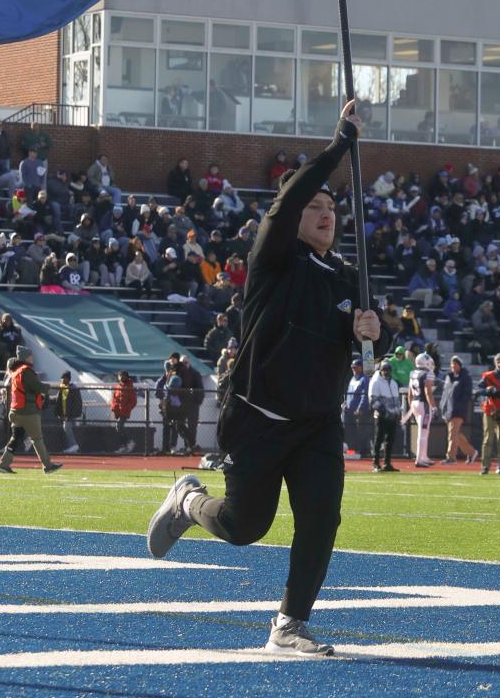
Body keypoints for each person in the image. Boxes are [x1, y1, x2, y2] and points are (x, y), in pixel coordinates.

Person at [146, 100, 387, 658]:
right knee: (244, 526)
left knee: (322, 519)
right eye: (315, 206)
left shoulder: (347, 276)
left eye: (332, 208)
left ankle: (289, 623)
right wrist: (339, 145)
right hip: (258, 417)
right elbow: (288, 203)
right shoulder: (274, 260)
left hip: (317, 424)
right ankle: (188, 501)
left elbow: (374, 343)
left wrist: (376, 330)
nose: (325, 213)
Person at [0, 345, 62, 474]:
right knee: (37, 439)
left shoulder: (16, 372)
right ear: (26, 357)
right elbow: (37, 387)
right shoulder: (26, 371)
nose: (33, 358)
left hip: (16, 411)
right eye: (30, 355)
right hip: (28, 412)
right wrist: (48, 387)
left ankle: (3, 464)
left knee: (15, 438)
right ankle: (47, 466)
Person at [478, 353, 500, 475]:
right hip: (490, 409)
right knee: (488, 438)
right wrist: (488, 391)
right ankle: (485, 467)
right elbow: (480, 390)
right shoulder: (488, 376)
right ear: (495, 363)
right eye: (498, 361)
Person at [439, 355, 476, 464]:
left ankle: (451, 457)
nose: (453, 366)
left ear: (460, 365)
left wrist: (459, 405)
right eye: (451, 364)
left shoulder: (465, 377)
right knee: (456, 435)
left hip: (458, 410)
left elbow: (467, 395)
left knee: (452, 434)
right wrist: (443, 407)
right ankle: (472, 452)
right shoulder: (449, 377)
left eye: (455, 364)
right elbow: (445, 394)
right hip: (448, 410)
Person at [368, 358, 400, 472]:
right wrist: (383, 411)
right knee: (378, 439)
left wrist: (397, 412)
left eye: (388, 369)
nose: (386, 372)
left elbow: (397, 400)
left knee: (389, 440)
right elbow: (373, 400)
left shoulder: (394, 383)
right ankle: (375, 463)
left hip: (392, 416)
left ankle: (387, 463)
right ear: (380, 370)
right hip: (381, 416)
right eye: (384, 369)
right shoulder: (375, 382)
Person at [407, 351, 436, 467]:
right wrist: (433, 407)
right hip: (423, 404)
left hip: (415, 402)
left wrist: (411, 408)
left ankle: (423, 456)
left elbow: (409, 393)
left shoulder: (413, 373)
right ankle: (419, 459)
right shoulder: (428, 374)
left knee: (424, 432)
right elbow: (428, 392)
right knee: (423, 432)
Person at [342, 357, 371, 457]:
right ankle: (352, 450)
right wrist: (345, 403)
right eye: (353, 367)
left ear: (361, 368)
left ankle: (363, 451)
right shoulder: (352, 378)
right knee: (350, 431)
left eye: (356, 367)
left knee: (361, 431)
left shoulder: (364, 379)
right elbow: (349, 394)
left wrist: (360, 408)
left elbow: (364, 395)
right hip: (349, 410)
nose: (354, 369)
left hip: (359, 411)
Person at [55, 371, 83, 455]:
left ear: (68, 379)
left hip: (70, 413)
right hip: (63, 413)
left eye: (64, 378)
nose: (62, 380)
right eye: (61, 378)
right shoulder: (62, 387)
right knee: (67, 428)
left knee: (67, 427)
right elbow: (58, 399)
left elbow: (76, 402)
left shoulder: (73, 388)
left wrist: (71, 413)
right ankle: (72, 446)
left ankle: (74, 445)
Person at [111, 370, 137, 454]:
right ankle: (124, 445)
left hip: (125, 411)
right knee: (119, 427)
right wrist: (114, 407)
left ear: (127, 377)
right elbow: (114, 399)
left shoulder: (130, 387)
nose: (121, 377)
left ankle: (128, 442)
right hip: (118, 411)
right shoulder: (117, 387)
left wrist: (127, 408)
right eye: (120, 376)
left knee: (119, 426)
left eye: (123, 376)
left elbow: (133, 400)